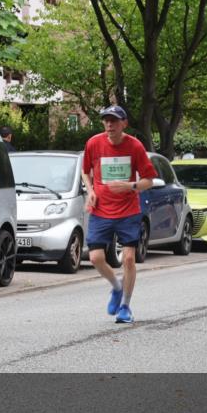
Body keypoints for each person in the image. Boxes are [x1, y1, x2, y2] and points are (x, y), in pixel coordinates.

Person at [81, 105, 158, 324]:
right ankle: (116, 287)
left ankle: (125, 306)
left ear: (124, 123)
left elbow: (149, 180)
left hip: (127, 211)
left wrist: (129, 186)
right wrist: (91, 191)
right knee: (95, 257)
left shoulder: (135, 146)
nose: (109, 125)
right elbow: (85, 171)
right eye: (106, 120)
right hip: (101, 210)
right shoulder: (94, 143)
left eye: (114, 121)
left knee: (129, 258)